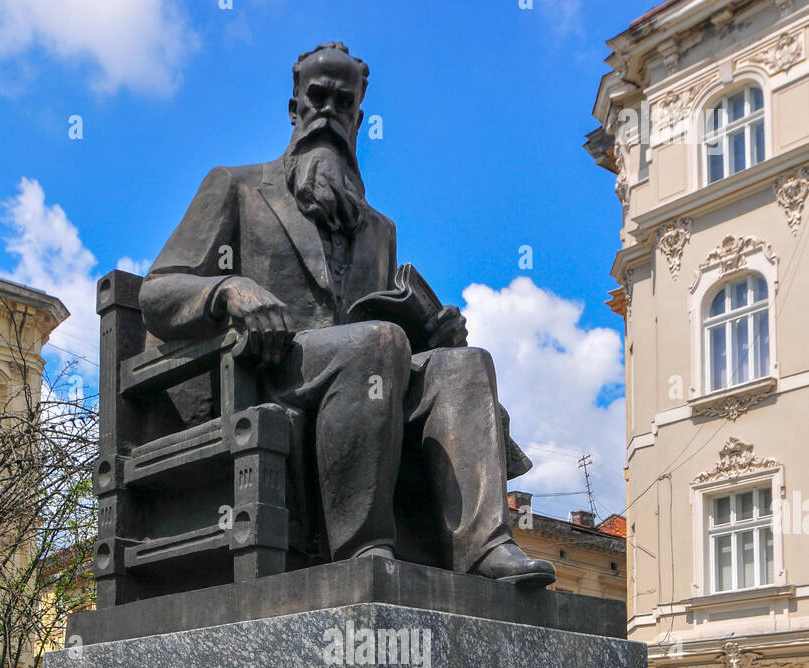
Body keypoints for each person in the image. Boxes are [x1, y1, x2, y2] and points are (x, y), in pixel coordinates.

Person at [139, 42, 556, 587]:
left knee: (464, 363)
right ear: (295, 110)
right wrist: (230, 288)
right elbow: (158, 291)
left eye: (344, 103)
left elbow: (378, 319)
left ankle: (484, 548)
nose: (329, 113)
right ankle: (363, 554)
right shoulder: (235, 187)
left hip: (363, 386)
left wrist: (433, 334)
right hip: (265, 376)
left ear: (359, 118)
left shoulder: (378, 230)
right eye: (318, 98)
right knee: (376, 344)